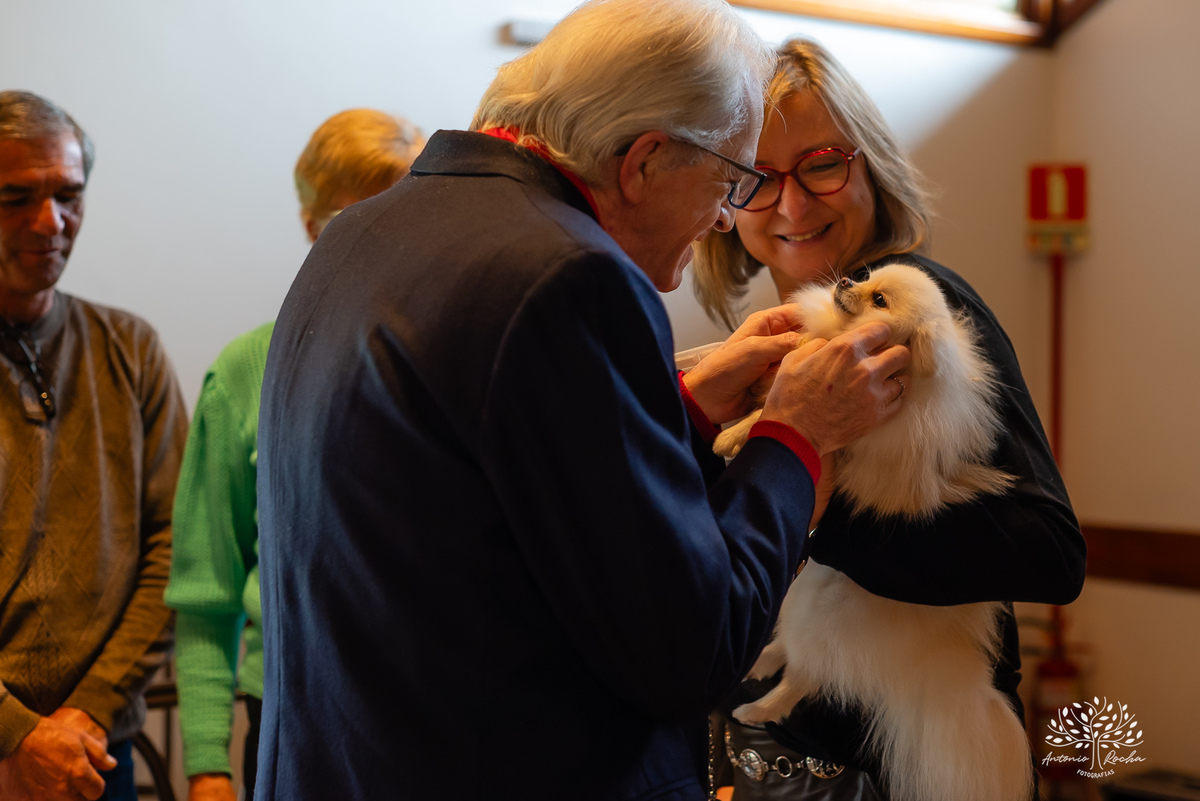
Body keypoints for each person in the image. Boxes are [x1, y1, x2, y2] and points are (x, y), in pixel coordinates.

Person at [255, 2, 912, 799]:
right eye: (733, 180)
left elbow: (488, 498)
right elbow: (691, 649)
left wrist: (682, 410)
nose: (724, 217)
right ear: (644, 162)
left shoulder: (364, 232)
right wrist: (793, 436)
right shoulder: (571, 274)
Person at [691, 39, 1087, 800]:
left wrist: (807, 495)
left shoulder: (921, 315)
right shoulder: (759, 342)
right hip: (771, 755)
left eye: (822, 164)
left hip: (895, 767)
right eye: (759, 177)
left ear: (870, 163)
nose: (793, 205)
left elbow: (1050, 551)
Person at [164, 108, 424, 801]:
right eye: (351, 218)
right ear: (311, 226)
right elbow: (208, 589)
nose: (381, 238)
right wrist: (208, 765)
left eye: (402, 213)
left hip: (439, 714)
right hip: (293, 715)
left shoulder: (466, 352)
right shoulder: (247, 370)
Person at [0, 90, 188, 801]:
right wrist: (16, 734)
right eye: (16, 197)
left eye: (68, 195)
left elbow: (175, 546)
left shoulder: (130, 348)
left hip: (94, 752)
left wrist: (86, 714)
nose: (51, 222)